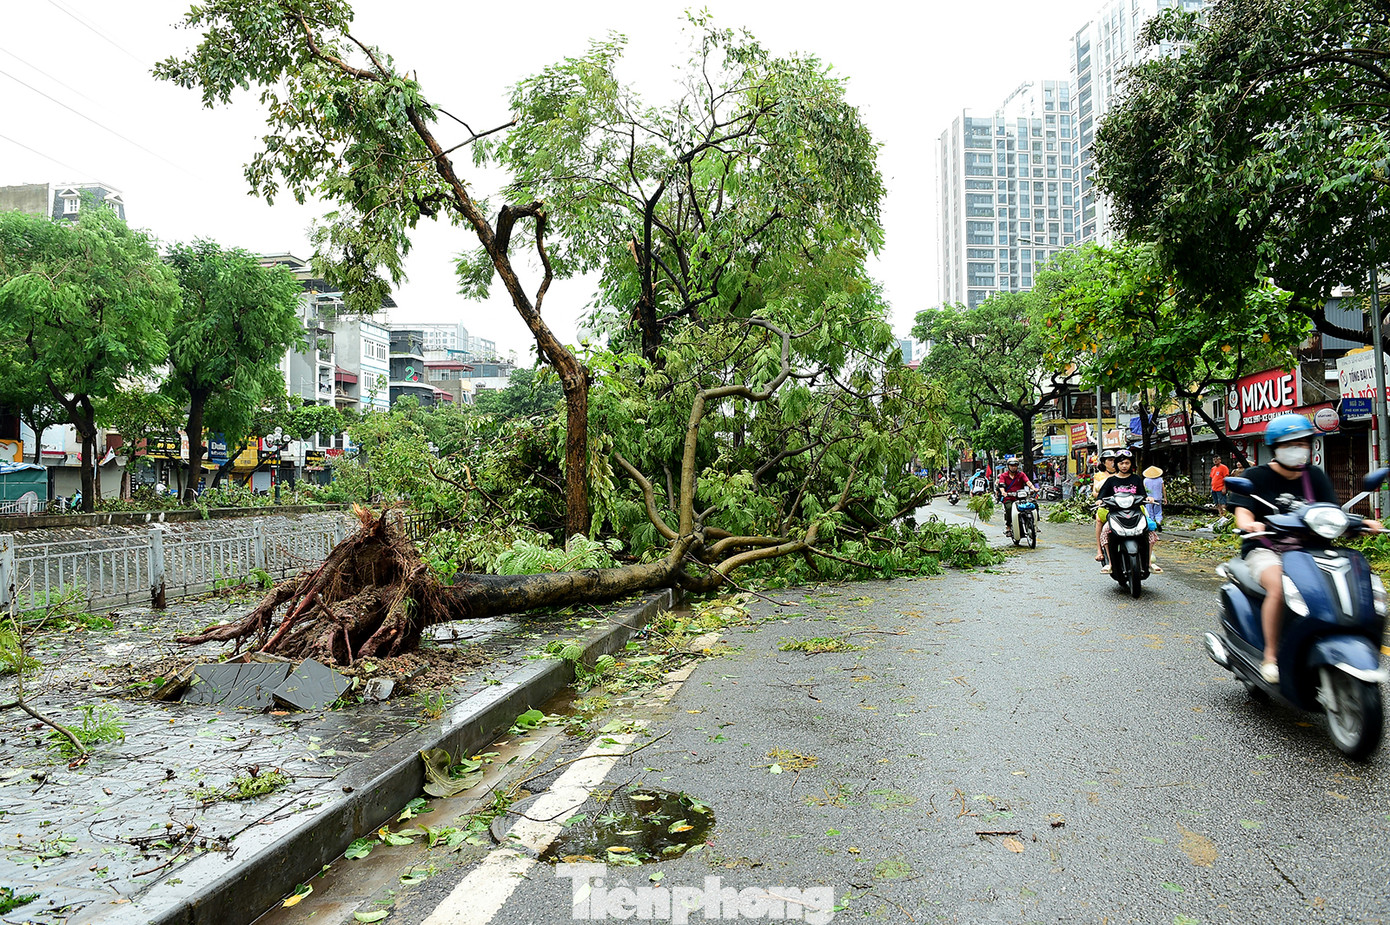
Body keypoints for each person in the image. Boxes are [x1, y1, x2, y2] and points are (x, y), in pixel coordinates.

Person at [1230, 413, 1383, 683]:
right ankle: (1271, 656)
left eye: (1303, 443)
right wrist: (1249, 524)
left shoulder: (1314, 475)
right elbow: (1243, 511)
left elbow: (1331, 512)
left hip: (1314, 551)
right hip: (1267, 549)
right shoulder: (1255, 476)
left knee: (1363, 582)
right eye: (1291, 444)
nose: (1299, 449)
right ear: (1275, 447)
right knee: (1279, 584)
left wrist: (1361, 522)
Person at [1095, 449, 1159, 572]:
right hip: (1115, 514)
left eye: (1127, 463)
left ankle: (1149, 562)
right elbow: (1101, 496)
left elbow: (1143, 495)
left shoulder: (1136, 479)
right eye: (1121, 463)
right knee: (1105, 531)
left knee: (1150, 531)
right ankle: (1110, 563)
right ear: (1117, 464)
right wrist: (1099, 501)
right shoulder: (1111, 481)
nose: (1124, 466)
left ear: (1131, 464)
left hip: (1136, 513)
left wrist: (1148, 498)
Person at [995, 456, 1035, 539]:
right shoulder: (1003, 476)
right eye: (1012, 465)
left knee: (1033, 505)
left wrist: (1033, 488)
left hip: (1021, 497)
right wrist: (1003, 492)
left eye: (1015, 465)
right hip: (1009, 498)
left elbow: (1027, 481)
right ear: (1008, 466)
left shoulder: (1021, 474)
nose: (1013, 467)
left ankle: (1034, 525)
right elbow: (1001, 485)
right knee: (1009, 509)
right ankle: (1009, 527)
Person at [1093, 449, 1119, 561]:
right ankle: (1099, 550)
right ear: (1104, 462)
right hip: (1107, 505)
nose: (1113, 462)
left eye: (1115, 460)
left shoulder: (1122, 474)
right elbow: (1095, 493)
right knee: (1099, 520)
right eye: (1110, 460)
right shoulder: (1099, 476)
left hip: (1124, 505)